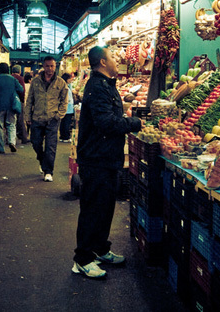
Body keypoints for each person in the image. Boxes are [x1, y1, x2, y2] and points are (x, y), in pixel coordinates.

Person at [72, 46, 142, 278]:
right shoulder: (98, 87)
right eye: (112, 57)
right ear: (103, 62)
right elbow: (106, 123)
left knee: (105, 208)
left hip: (107, 158)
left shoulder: (105, 85)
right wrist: (134, 123)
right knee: (92, 209)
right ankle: (82, 259)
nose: (115, 60)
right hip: (96, 159)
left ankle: (100, 249)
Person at [25, 56, 68, 182]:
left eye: (52, 66)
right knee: (35, 142)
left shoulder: (61, 82)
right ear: (43, 66)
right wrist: (27, 116)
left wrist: (59, 115)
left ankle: (48, 171)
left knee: (51, 146)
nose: (50, 69)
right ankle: (42, 160)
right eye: (47, 66)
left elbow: (64, 100)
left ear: (55, 67)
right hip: (37, 118)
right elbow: (29, 100)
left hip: (52, 119)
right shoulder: (35, 81)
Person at [0, 62, 23, 154]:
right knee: (11, 125)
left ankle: (1, 148)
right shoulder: (13, 79)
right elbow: (21, 89)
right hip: (11, 106)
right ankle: (12, 142)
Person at [10, 64, 29, 144]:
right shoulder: (20, 78)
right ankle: (24, 138)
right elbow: (22, 91)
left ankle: (10, 138)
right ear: (19, 71)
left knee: (10, 121)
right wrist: (22, 101)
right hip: (18, 101)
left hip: (10, 101)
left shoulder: (9, 77)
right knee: (21, 120)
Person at [59, 72, 75, 142]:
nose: (71, 79)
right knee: (66, 123)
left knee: (63, 122)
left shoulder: (66, 86)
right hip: (67, 107)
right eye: (69, 78)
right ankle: (66, 137)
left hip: (66, 107)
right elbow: (67, 98)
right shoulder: (65, 87)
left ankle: (62, 136)